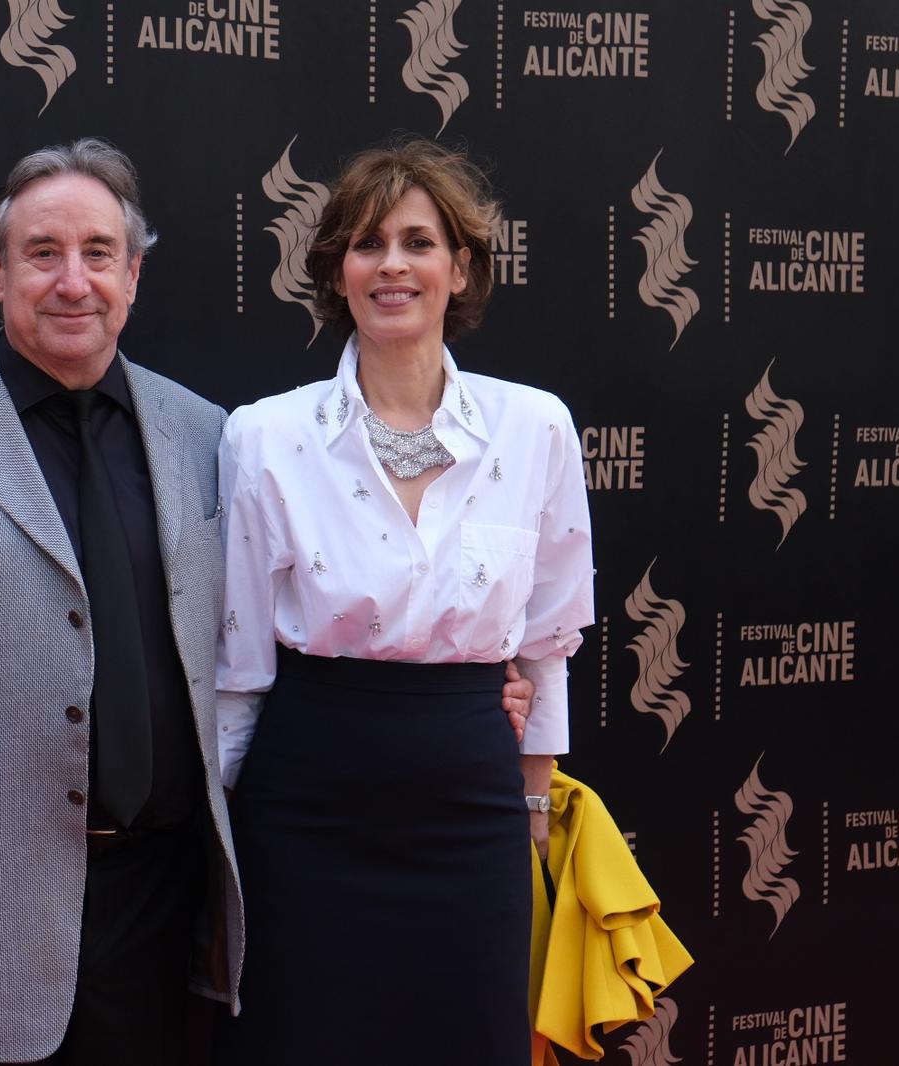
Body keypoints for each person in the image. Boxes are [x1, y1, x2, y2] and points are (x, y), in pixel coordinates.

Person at [0, 137, 536, 1066]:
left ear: (134, 274)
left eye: (99, 254)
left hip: (176, 920)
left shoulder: (207, 435)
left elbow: (296, 623)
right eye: (43, 253)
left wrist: (468, 688)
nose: (74, 281)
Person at [213, 136, 594, 1064]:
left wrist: (534, 814)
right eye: (367, 243)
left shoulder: (534, 426)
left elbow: (546, 642)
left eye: (418, 243)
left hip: (472, 808)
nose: (393, 265)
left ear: (459, 269)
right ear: (336, 272)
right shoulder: (263, 437)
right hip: (306, 807)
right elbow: (239, 672)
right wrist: (217, 851)